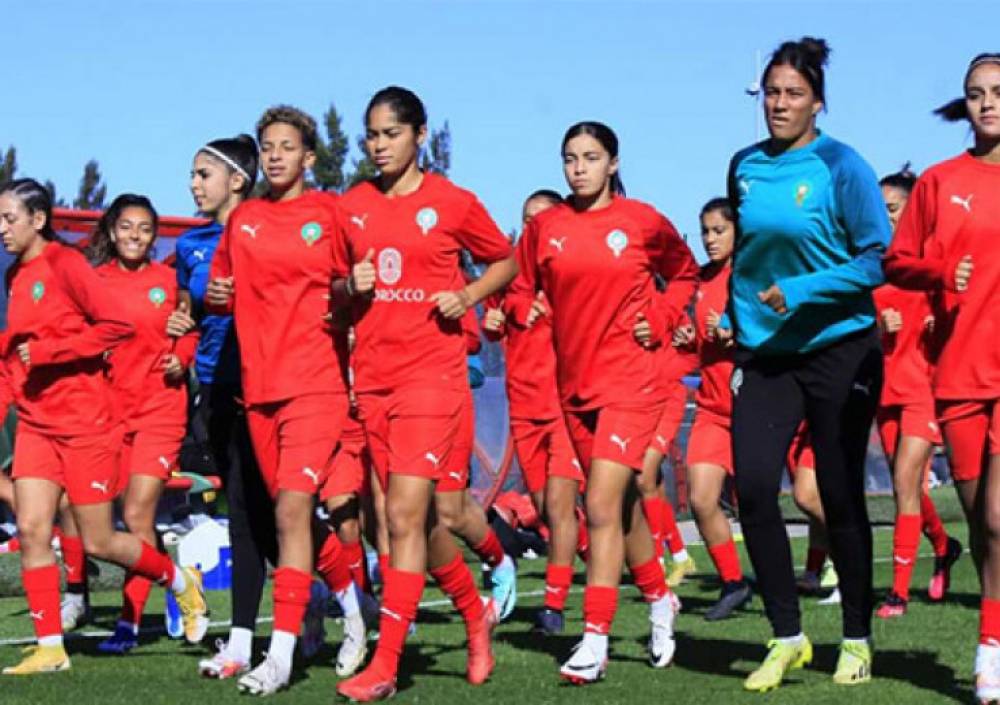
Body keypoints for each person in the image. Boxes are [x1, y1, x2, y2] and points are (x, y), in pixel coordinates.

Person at [332, 86, 517, 702]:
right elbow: (332, 288)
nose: (378, 146)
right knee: (407, 520)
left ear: (417, 135)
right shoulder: (352, 204)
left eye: (390, 134)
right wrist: (345, 284)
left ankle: (386, 666)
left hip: (433, 379)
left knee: (406, 516)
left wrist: (467, 297)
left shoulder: (452, 202)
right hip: (375, 381)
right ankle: (473, 611)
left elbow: (505, 261)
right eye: (371, 135)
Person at [724, 37, 890, 690]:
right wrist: (728, 312)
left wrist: (802, 289)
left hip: (840, 348)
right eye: (771, 92)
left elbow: (877, 258)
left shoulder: (843, 166)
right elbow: (747, 252)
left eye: (793, 93)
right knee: (757, 487)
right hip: (766, 355)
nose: (779, 104)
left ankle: (856, 636)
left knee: (839, 491)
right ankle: (787, 635)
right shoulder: (743, 165)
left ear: (817, 102)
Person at [0, 178, 208, 675]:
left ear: (38, 220)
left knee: (100, 540)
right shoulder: (14, 275)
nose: (2, 228)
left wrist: (52, 353)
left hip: (86, 421)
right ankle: (51, 647)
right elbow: (13, 355)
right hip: (36, 422)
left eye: (9, 218)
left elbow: (115, 327)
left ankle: (179, 580)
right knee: (33, 529)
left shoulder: (66, 265)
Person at [514, 121, 698, 684]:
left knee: (597, 505)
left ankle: (594, 638)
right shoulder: (545, 227)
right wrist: (525, 311)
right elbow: (520, 287)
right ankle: (660, 598)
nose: (578, 168)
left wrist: (664, 318)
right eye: (570, 158)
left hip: (633, 382)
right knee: (621, 509)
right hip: (575, 388)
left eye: (590, 157)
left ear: (612, 163)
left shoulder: (641, 220)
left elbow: (685, 272)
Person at [206, 107, 364, 694]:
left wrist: (351, 288)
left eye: (286, 146)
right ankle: (351, 607)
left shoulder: (329, 213)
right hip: (259, 392)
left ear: (308, 158)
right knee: (288, 519)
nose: (274, 155)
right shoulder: (242, 219)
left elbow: (355, 286)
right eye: (267, 146)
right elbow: (223, 294)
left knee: (294, 512)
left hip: (316, 385)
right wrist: (217, 296)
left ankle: (279, 656)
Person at [883, 53, 1000, 703]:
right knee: (982, 524)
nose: (988, 103)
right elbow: (898, 261)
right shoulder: (937, 181)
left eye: (998, 93)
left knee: (999, 514)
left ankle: (988, 652)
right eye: (977, 94)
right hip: (954, 374)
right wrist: (937, 273)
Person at [78, 194, 199, 654]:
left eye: (145, 229)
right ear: (111, 231)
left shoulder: (169, 281)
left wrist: (179, 359)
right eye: (127, 227)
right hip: (108, 414)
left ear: (154, 236)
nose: (135, 236)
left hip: (160, 410)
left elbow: (189, 331)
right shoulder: (92, 282)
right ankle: (179, 582)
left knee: (136, 516)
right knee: (104, 527)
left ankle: (127, 626)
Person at [482, 189, 587, 635]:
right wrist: (490, 326)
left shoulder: (575, 272)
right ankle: (598, 548)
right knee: (545, 507)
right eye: (527, 220)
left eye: (542, 219)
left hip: (565, 405)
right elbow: (489, 323)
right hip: (523, 406)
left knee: (560, 505)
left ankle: (554, 605)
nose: (534, 228)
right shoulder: (507, 273)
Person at [874, 165, 961, 619]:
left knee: (907, 480)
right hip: (886, 390)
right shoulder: (876, 265)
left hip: (925, 389)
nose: (885, 216)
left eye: (893, 208)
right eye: (881, 208)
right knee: (903, 486)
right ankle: (944, 546)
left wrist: (939, 322)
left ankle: (898, 593)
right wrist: (877, 326)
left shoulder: (933, 262)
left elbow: (966, 311)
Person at [681, 197, 752, 620]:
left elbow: (777, 328)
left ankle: (823, 564)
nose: (709, 239)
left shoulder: (752, 274)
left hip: (754, 407)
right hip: (712, 409)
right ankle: (733, 582)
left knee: (783, 499)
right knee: (701, 498)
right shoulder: (700, 280)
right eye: (705, 231)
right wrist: (689, 337)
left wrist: (736, 333)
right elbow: (700, 347)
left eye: (718, 230)